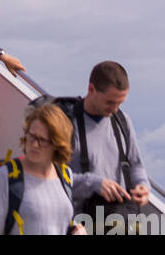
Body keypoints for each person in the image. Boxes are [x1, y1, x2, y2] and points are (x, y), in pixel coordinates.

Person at [64, 61, 150, 217]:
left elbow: (135, 166)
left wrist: (142, 186)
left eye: (120, 103)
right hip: (79, 223)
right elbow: (52, 178)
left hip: (120, 222)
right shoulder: (66, 124)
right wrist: (93, 184)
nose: (115, 109)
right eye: (110, 102)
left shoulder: (123, 121)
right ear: (91, 89)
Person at [0, 103, 83, 236]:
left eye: (42, 140)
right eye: (32, 136)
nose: (34, 144)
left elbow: (57, 220)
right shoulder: (6, 176)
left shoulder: (65, 175)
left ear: (57, 144)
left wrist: (77, 229)